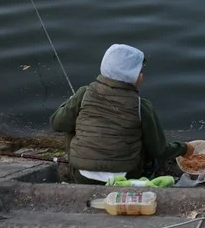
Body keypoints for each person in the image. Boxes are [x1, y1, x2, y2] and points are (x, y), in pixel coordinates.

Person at [50, 43, 193, 184]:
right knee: (145, 139)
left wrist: (69, 103)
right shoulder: (141, 106)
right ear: (134, 77)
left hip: (81, 177)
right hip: (126, 176)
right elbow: (159, 151)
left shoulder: (83, 94)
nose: (141, 75)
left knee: (71, 121)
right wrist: (184, 148)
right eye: (139, 72)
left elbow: (57, 124)